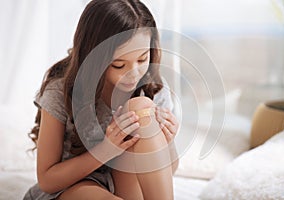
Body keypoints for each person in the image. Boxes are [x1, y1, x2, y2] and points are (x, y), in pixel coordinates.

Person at [24, 0, 179, 199]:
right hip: (73, 186)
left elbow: (166, 173)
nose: (133, 74)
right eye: (119, 65)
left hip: (124, 183)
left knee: (141, 108)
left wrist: (167, 143)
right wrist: (106, 150)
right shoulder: (61, 91)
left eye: (142, 59)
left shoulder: (152, 88)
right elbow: (47, 180)